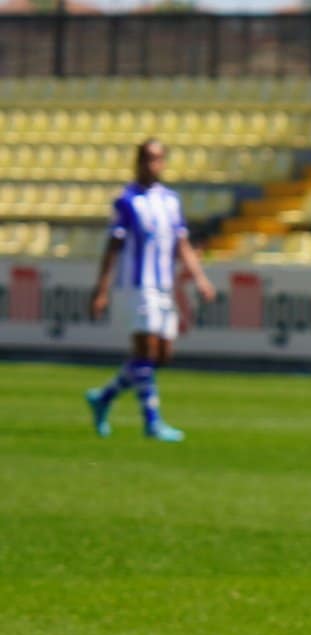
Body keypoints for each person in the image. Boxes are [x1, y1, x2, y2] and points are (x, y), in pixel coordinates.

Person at [85, 139, 214, 443]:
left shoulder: (170, 201)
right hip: (137, 286)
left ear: (163, 163)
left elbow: (182, 244)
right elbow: (113, 246)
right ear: (138, 162)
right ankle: (152, 422)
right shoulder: (127, 201)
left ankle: (104, 397)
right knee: (145, 351)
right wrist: (102, 289)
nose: (151, 164)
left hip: (163, 286)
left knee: (162, 354)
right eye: (146, 158)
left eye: (157, 159)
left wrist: (200, 278)